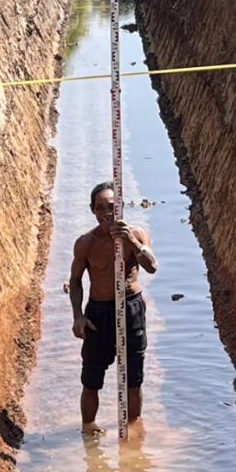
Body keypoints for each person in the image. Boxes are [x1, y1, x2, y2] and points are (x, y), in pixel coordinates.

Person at [70, 181, 158, 434]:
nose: (107, 214)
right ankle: (89, 428)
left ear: (120, 208)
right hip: (99, 312)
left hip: (131, 308)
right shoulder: (86, 243)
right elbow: (75, 281)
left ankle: (133, 431)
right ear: (93, 211)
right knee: (91, 378)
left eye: (112, 207)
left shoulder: (137, 234)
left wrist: (130, 241)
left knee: (133, 378)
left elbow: (152, 266)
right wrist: (78, 316)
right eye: (101, 208)